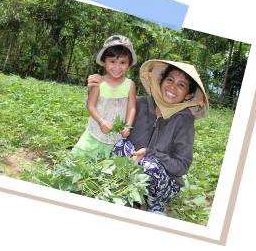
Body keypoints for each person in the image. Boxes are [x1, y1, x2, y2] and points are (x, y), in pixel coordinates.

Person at [87, 60, 209, 216]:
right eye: (170, 80)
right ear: (161, 82)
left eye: (181, 85)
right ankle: (125, 196)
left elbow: (182, 165)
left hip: (161, 182)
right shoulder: (139, 103)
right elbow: (103, 112)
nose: (172, 87)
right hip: (130, 172)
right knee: (120, 145)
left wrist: (150, 153)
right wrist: (94, 89)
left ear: (189, 95)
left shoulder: (184, 120)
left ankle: (155, 209)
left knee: (149, 165)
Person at [68, 35, 137, 161]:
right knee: (79, 157)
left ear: (129, 64)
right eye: (112, 61)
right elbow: (91, 105)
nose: (117, 67)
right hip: (95, 130)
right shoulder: (98, 82)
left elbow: (132, 108)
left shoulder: (130, 85)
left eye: (123, 62)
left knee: (104, 164)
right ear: (104, 61)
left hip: (116, 135)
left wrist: (128, 126)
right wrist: (101, 121)